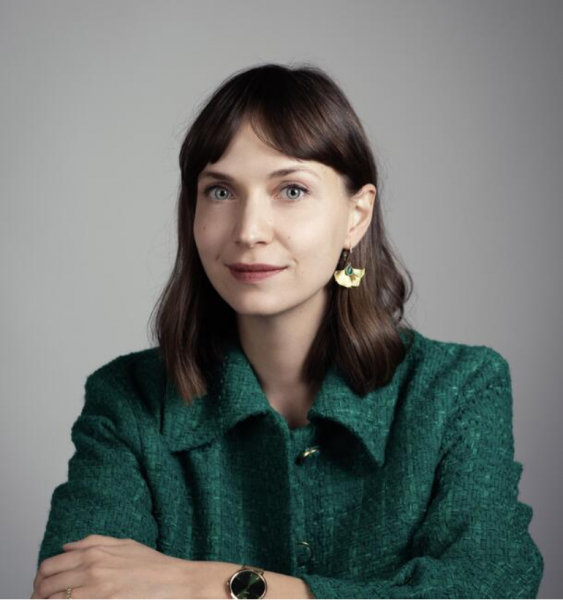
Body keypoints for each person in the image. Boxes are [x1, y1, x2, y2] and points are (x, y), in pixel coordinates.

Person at [32, 63, 544, 599]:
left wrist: (209, 585)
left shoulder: (458, 388)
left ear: (357, 215)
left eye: (292, 190)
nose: (249, 231)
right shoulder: (128, 399)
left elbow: (493, 586)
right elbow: (75, 591)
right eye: (220, 192)